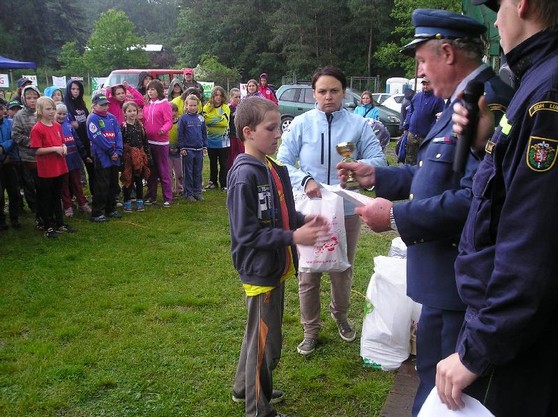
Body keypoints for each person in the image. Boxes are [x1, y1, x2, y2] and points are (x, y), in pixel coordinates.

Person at [336, 9, 514, 415]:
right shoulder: (457, 100)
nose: (419, 71)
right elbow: (432, 172)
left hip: (460, 282)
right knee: (434, 380)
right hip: (442, 278)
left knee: (449, 395)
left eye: (421, 59)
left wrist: (397, 217)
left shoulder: (488, 101)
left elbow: (478, 198)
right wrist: (377, 175)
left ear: (447, 52)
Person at [435, 1, 558, 416]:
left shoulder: (548, 92)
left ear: (521, 4)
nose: (498, 19)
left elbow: (533, 242)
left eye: (501, 4)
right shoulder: (536, 79)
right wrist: (481, 140)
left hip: (519, 342)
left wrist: (477, 350)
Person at [227, 96, 329, 417]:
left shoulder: (270, 166)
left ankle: (244, 389)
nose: (278, 134)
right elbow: (246, 233)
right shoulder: (245, 175)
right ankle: (258, 408)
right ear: (248, 132)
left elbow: (278, 213)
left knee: (258, 336)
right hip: (260, 271)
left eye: (277, 128)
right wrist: (292, 237)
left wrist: (301, 221)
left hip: (275, 266)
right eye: (270, 128)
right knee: (264, 344)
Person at [276, 65, 387, 356]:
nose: (328, 96)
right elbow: (282, 161)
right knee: (309, 272)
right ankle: (310, 329)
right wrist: (307, 179)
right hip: (311, 208)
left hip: (347, 207)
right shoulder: (300, 124)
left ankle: (341, 316)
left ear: (343, 92)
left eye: (334, 90)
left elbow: (379, 159)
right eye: (322, 91)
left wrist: (360, 169)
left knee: (342, 267)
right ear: (314, 93)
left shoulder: (359, 125)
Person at [30, 97, 76, 238]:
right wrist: (54, 149)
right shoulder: (37, 128)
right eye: (48, 109)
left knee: (57, 196)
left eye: (53, 109)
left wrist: (63, 147)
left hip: (59, 166)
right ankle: (47, 226)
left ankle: (60, 223)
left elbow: (62, 142)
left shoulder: (56, 125)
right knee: (45, 197)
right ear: (40, 111)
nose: (51, 112)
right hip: (46, 169)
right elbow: (36, 150)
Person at [87, 93, 123, 222]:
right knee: (102, 185)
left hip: (114, 156)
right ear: (94, 105)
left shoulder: (112, 118)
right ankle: (97, 212)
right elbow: (97, 137)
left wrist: (118, 151)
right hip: (102, 156)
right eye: (102, 105)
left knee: (113, 183)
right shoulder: (92, 119)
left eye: (106, 104)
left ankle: (111, 208)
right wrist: (110, 151)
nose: (105, 107)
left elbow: (118, 134)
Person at [55, 103, 91, 217]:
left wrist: (85, 155)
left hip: (74, 160)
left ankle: (82, 203)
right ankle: (68, 206)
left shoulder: (69, 126)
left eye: (64, 114)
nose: (61, 116)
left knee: (77, 183)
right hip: (62, 162)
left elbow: (77, 141)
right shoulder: (53, 127)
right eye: (59, 114)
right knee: (64, 185)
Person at [143, 79, 174, 207]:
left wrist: (163, 130)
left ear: (159, 90)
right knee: (151, 171)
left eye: (153, 89)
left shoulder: (165, 104)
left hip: (161, 143)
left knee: (163, 170)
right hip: (148, 141)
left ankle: (168, 197)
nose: (150, 92)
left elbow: (169, 121)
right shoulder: (147, 104)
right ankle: (152, 196)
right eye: (149, 89)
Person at [12, 85, 41, 219]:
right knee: (29, 183)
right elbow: (16, 135)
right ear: (23, 99)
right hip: (27, 156)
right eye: (29, 98)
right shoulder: (19, 115)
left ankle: (44, 204)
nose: (32, 100)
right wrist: (31, 142)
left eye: (35, 97)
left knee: (41, 182)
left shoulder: (42, 113)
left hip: (43, 155)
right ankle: (34, 206)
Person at [402, 78, 445, 165]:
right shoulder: (417, 96)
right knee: (410, 158)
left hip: (426, 136)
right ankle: (410, 176)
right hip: (412, 133)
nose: (425, 86)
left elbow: (441, 118)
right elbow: (410, 111)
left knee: (424, 159)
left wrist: (432, 131)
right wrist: (406, 126)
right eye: (424, 84)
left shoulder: (438, 99)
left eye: (427, 84)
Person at [120, 101, 151, 212]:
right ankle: (127, 202)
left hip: (140, 157)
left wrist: (147, 156)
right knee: (128, 180)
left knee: (139, 180)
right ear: (124, 113)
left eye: (134, 111)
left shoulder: (140, 126)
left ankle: (139, 201)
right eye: (129, 111)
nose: (132, 113)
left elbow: (145, 142)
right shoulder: (123, 127)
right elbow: (121, 143)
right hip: (128, 158)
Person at [64, 80, 93, 195]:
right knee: (73, 172)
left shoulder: (81, 104)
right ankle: (72, 197)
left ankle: (95, 193)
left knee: (91, 167)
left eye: (78, 89)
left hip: (85, 139)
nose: (75, 92)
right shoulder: (65, 105)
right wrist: (70, 125)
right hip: (72, 142)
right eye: (73, 89)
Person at [178, 94, 207, 202]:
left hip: (199, 149)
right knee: (188, 172)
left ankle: (197, 191)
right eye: (191, 105)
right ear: (186, 106)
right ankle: (188, 193)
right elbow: (180, 134)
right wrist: (182, 147)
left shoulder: (201, 118)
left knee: (198, 171)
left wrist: (204, 146)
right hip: (188, 150)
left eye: (195, 105)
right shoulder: (183, 118)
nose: (193, 107)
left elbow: (204, 133)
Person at [0, 97, 22, 230]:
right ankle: (1, 219)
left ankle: (15, 217)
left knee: (14, 191)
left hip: (10, 162)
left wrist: (3, 148)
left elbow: (14, 138)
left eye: (1, 109)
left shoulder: (10, 123)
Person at [203, 86, 230, 190]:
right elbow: (205, 121)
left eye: (220, 95)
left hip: (224, 141)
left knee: (223, 163)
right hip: (210, 141)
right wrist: (217, 119)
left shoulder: (225, 107)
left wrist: (212, 120)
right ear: (212, 96)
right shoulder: (207, 107)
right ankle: (213, 182)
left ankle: (224, 183)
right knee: (212, 163)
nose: (218, 97)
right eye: (216, 95)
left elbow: (224, 123)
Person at [167, 102, 183, 197]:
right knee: (168, 172)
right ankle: (170, 189)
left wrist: (178, 148)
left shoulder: (180, 122)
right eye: (170, 111)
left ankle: (180, 188)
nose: (173, 113)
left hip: (178, 151)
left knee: (179, 172)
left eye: (174, 111)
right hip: (167, 151)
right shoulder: (165, 123)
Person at [227, 87, 244, 168]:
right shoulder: (228, 108)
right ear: (231, 98)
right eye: (236, 97)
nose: (238, 99)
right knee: (230, 156)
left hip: (240, 136)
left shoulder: (242, 108)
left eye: (239, 97)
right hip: (231, 136)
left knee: (241, 154)